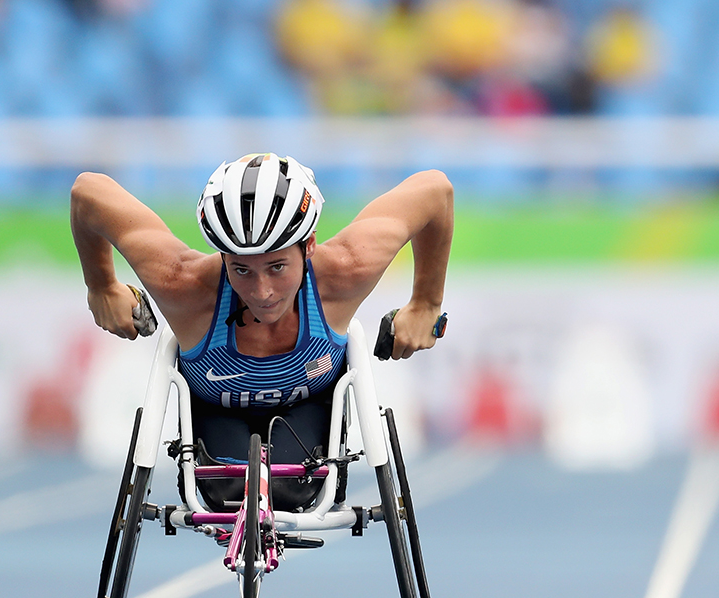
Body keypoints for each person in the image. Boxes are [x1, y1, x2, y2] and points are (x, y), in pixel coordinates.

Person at [71, 153, 452, 509]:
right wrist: (102, 286)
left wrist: (426, 304)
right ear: (223, 257)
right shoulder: (182, 284)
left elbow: (435, 190)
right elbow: (87, 192)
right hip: (215, 408)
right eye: (242, 271)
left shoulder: (346, 269)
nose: (263, 292)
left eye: (277, 267)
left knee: (289, 491)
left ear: (309, 247)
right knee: (230, 492)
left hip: (309, 405)